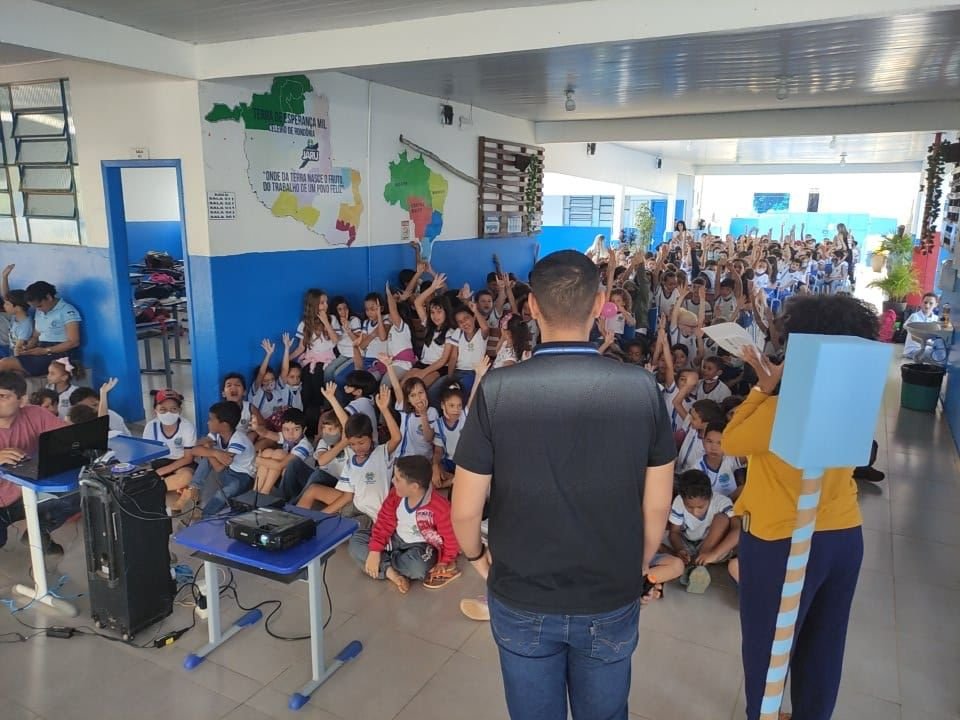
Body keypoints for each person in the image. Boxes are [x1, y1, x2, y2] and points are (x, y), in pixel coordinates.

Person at [451, 250, 676, 720]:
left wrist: (477, 559)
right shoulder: (642, 389)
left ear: (532, 306)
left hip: (521, 595)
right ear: (598, 304)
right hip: (610, 594)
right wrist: (634, 567)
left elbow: (466, 510)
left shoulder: (497, 390)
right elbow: (657, 507)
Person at [724, 293, 878, 720]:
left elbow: (732, 440)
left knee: (768, 645)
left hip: (781, 540)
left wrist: (763, 387)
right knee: (825, 643)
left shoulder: (783, 408)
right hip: (843, 534)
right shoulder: (854, 399)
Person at [348, 455, 461, 594]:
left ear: (414, 487)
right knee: (356, 542)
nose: (392, 481)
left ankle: (382, 565)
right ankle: (391, 573)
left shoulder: (440, 508)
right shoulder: (395, 495)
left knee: (419, 568)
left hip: (420, 547)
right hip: (395, 538)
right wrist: (375, 550)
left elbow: (450, 538)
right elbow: (384, 522)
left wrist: (444, 561)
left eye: (397, 479)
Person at [297, 386, 400, 530]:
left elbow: (396, 438)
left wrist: (384, 410)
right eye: (352, 444)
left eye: (361, 443)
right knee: (313, 489)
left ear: (371, 438)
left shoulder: (380, 453)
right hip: (354, 505)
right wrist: (317, 519)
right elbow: (347, 497)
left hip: (371, 513)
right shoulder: (352, 460)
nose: (357, 448)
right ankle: (296, 524)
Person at [0, 371, 80, 555]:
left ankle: (37, 533)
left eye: (3, 396)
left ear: (22, 400)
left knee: (81, 492)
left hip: (26, 492)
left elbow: (71, 438)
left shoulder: (35, 414)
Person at [667, 468, 739, 594]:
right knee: (658, 542)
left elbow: (737, 530)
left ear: (710, 496)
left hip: (712, 548)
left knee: (722, 519)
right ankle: (693, 566)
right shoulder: (678, 501)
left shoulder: (722, 502)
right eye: (689, 507)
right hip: (688, 544)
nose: (695, 512)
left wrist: (714, 554)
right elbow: (674, 533)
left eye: (700, 507)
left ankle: (697, 566)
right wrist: (680, 549)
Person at [182, 401, 256, 516]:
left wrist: (209, 450)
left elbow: (219, 468)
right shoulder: (217, 434)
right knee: (208, 455)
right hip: (228, 471)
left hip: (242, 477)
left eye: (211, 419)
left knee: (222, 494)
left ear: (224, 425)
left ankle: (205, 515)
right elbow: (194, 449)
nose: (208, 422)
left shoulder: (238, 440)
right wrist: (214, 452)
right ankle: (194, 489)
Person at [0, 278, 82, 377]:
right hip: (41, 349)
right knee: (13, 373)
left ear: (48, 297)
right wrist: (26, 347)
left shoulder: (67, 311)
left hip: (59, 354)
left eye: (39, 306)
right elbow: (36, 336)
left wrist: (46, 350)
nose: (38, 309)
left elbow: (74, 342)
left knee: (4, 363)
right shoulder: (39, 310)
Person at [142, 389, 197, 494]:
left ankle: (152, 489)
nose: (168, 413)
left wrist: (162, 472)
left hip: (181, 462)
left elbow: (188, 458)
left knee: (186, 477)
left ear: (180, 410)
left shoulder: (187, 426)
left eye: (173, 409)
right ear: (155, 410)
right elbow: (147, 455)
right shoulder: (151, 426)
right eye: (163, 409)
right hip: (158, 463)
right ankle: (163, 485)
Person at [251, 407, 313, 494]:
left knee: (279, 454)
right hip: (285, 474)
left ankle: (265, 492)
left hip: (301, 482)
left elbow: (280, 465)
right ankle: (256, 491)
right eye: (286, 429)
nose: (290, 433)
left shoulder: (304, 445)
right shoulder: (286, 437)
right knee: (267, 452)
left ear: (304, 430)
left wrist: (258, 459)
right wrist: (256, 428)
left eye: (296, 429)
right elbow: (266, 433)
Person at [903, 292, 939, 359]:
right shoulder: (915, 316)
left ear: (936, 305)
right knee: (937, 356)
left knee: (941, 353)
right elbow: (909, 331)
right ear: (921, 303)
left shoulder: (936, 319)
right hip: (912, 350)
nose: (927, 306)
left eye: (931, 303)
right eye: (925, 302)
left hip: (927, 348)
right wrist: (932, 344)